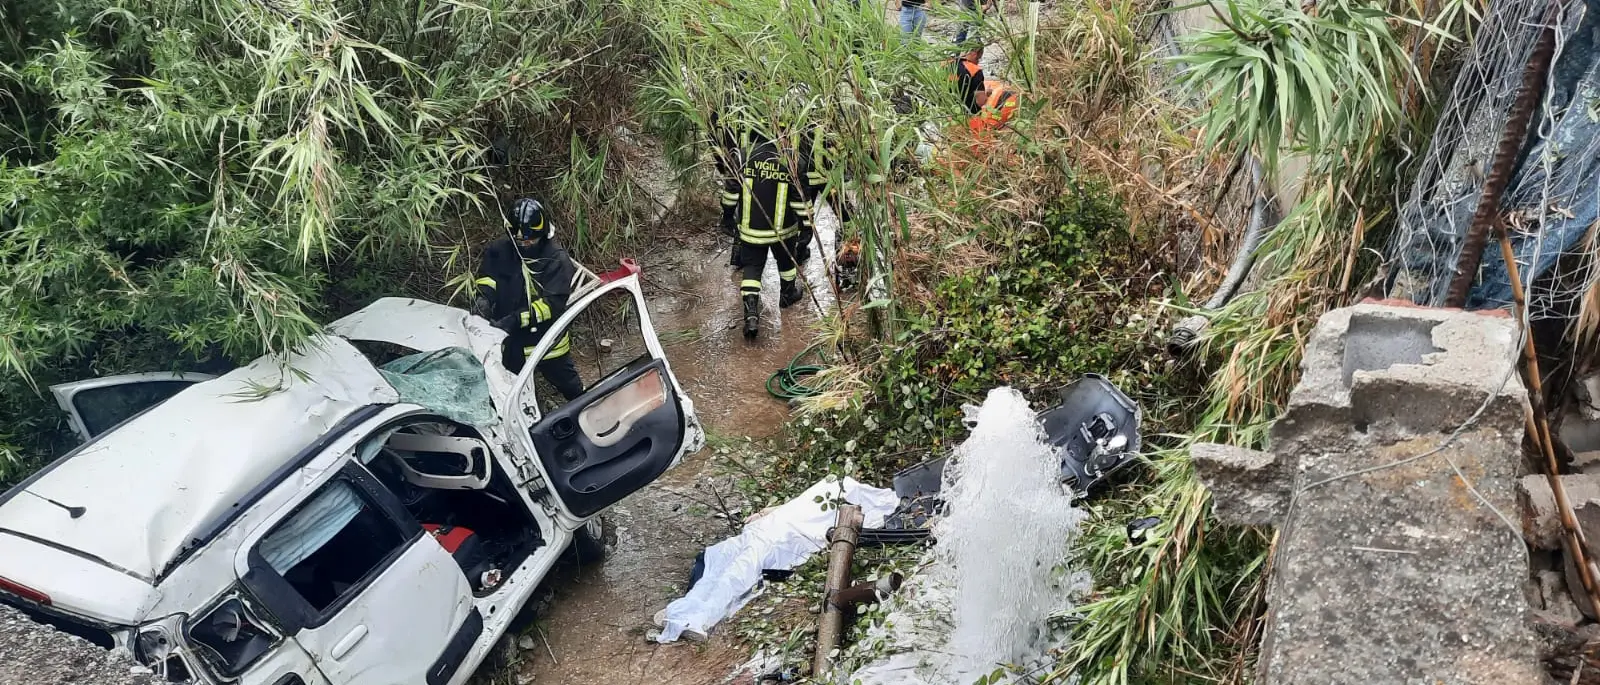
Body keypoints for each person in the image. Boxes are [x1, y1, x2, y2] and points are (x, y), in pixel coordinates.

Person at [725, 124, 838, 338]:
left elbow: (731, 192)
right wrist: (806, 226)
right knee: (786, 264)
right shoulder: (792, 160)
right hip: (783, 231)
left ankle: (750, 313)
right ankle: (787, 294)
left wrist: (727, 216)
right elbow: (800, 201)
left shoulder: (741, 156)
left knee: (751, 268)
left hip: (750, 231)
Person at [474, 198, 585, 401]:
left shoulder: (556, 260)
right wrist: (484, 299)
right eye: (520, 241)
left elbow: (552, 305)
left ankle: (587, 411)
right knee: (512, 393)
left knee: (571, 389)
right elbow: (488, 279)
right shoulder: (498, 251)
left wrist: (516, 319)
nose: (525, 245)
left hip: (547, 343)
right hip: (510, 344)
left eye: (530, 240)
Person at [952, 46, 986, 115]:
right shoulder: (975, 70)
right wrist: (987, 94)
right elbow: (981, 102)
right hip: (968, 113)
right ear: (974, 54)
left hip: (947, 111)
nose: (978, 62)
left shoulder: (946, 64)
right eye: (978, 59)